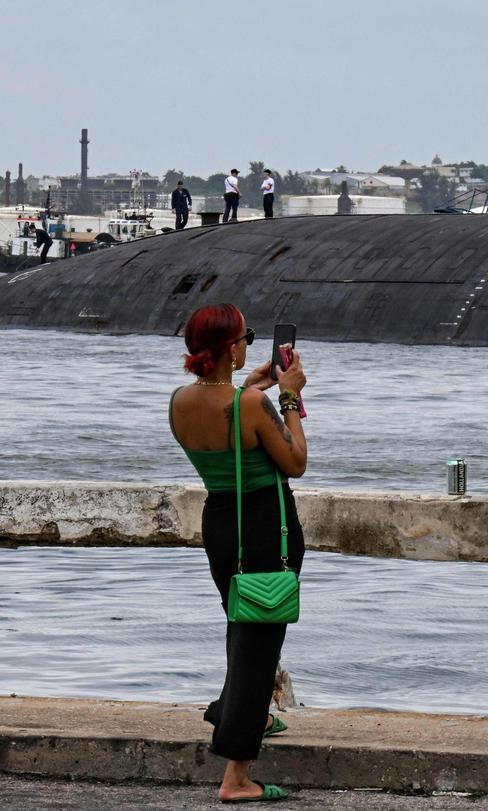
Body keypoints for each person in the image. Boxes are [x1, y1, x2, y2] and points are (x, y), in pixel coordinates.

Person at [169, 304, 308, 803]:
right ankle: (237, 775)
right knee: (259, 645)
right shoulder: (249, 405)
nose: (249, 340)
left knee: (242, 622)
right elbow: (295, 462)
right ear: (233, 347)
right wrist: (288, 398)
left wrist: (252, 387)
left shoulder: (180, 401)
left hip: (222, 524)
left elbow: (230, 427)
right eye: (246, 335)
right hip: (265, 528)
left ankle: (232, 709)